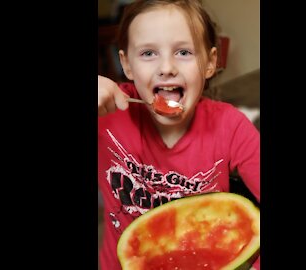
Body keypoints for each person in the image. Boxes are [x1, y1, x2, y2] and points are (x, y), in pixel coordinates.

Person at [98, 0, 260, 269]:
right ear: (126, 64)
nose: (166, 67)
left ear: (210, 63)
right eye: (148, 53)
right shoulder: (107, 114)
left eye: (183, 52)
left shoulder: (231, 127)